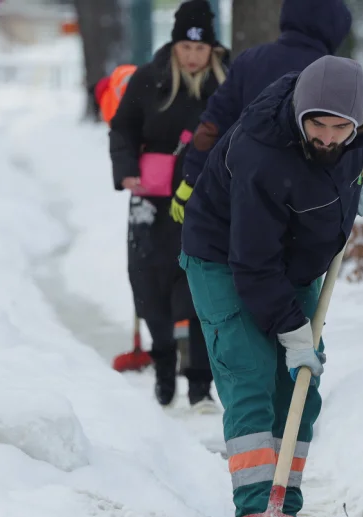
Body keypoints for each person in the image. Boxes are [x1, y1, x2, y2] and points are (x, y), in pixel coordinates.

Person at [178, 56, 363, 517]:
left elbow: (361, 144)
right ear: (298, 111)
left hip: (297, 260)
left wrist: (361, 177)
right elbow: (252, 262)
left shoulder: (355, 130)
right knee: (251, 377)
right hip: (226, 259)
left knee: (300, 390)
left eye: (341, 129)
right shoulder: (261, 153)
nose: (329, 138)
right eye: (318, 125)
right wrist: (292, 332)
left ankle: (282, 511)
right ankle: (254, 516)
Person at [167, 0, 363, 224]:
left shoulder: (249, 60)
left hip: (241, 195)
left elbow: (212, 125)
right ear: (336, 28)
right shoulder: (333, 78)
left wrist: (190, 179)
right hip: (304, 208)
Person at [109, 0, 229, 410]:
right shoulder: (148, 79)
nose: (193, 56)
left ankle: (199, 383)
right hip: (152, 197)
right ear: (174, 44)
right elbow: (122, 127)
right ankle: (162, 367)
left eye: (201, 49)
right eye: (186, 47)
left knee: (201, 286)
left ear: (211, 49)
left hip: (205, 200)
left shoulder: (229, 82)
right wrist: (125, 169)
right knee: (148, 283)